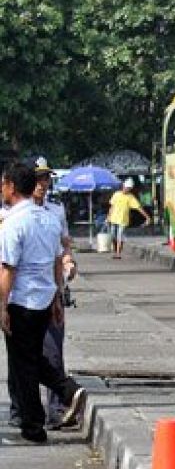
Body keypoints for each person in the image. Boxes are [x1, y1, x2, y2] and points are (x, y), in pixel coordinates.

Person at [0, 163, 86, 444]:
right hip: (45, 298)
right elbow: (56, 264)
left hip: (21, 300)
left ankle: (37, 420)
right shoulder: (49, 220)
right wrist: (58, 299)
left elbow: (8, 269)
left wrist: (1, 306)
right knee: (30, 357)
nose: (1, 189)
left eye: (3, 184)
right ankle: (60, 395)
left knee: (24, 362)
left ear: (12, 187)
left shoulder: (12, 223)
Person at [34, 162, 75, 429]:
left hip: (52, 289)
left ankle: (56, 408)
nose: (42, 184)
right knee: (24, 356)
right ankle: (23, 410)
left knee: (53, 350)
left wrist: (69, 264)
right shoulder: (10, 213)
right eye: (38, 178)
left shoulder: (56, 210)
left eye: (46, 178)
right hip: (23, 294)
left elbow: (65, 246)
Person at [106, 177, 151, 259]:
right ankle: (115, 250)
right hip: (113, 219)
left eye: (129, 188)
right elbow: (111, 207)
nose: (127, 189)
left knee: (120, 236)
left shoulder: (130, 197)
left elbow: (139, 208)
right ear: (123, 186)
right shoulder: (116, 194)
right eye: (126, 187)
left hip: (123, 219)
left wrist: (147, 217)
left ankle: (118, 253)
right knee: (112, 236)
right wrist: (108, 217)